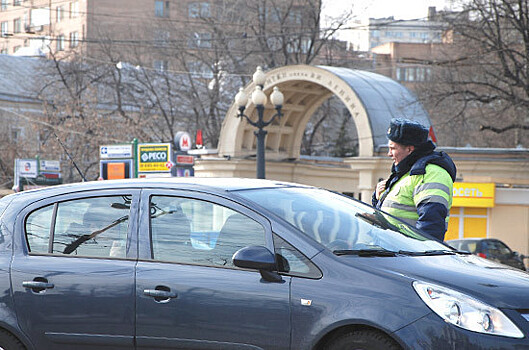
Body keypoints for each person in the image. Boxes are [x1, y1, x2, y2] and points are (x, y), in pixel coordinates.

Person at [372, 118, 457, 241]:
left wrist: (416, 258)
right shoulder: (407, 172)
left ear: (409, 149)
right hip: (393, 254)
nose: (389, 154)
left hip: (404, 257)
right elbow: (398, 213)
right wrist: (378, 199)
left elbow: (431, 228)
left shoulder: (430, 173)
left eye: (393, 148)